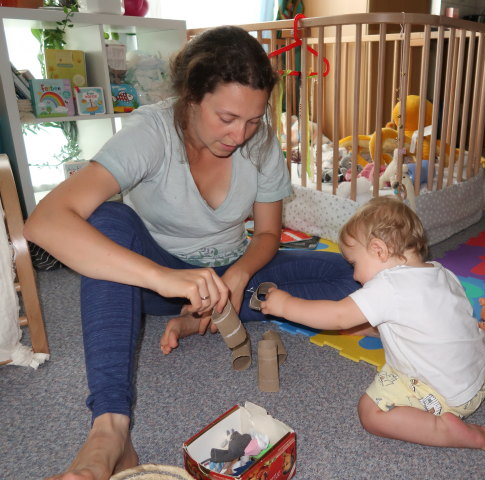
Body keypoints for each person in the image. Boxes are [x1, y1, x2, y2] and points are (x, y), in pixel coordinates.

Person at [24, 26, 359, 480]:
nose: (240, 134)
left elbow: (266, 235)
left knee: (353, 272)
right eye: (226, 118)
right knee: (107, 219)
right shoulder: (152, 131)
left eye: (253, 120)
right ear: (191, 97)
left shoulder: (259, 141)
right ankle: (110, 430)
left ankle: (204, 318)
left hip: (225, 275)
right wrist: (166, 278)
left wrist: (238, 276)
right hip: (149, 281)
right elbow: (45, 221)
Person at [260, 196, 485, 450]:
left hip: (447, 397)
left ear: (379, 250)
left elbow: (339, 315)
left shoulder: (389, 285)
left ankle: (448, 431)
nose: (355, 275)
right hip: (479, 376)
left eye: (355, 264)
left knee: (370, 413)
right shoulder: (440, 272)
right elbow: (421, 327)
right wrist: (362, 328)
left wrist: (285, 306)